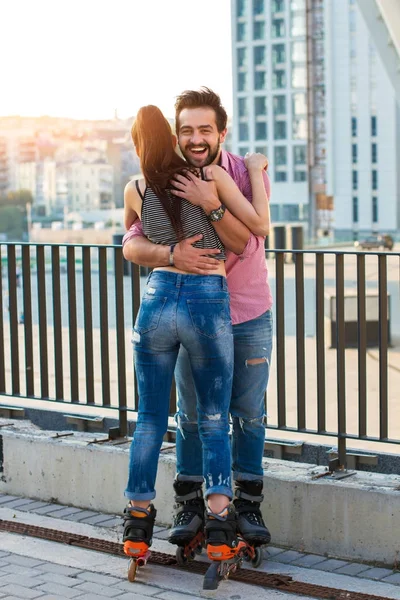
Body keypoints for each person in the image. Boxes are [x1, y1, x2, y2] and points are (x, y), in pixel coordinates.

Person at [123, 88, 273, 551]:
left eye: (204, 129)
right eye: (186, 130)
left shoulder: (232, 177)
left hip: (243, 310)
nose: (195, 137)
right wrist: (173, 252)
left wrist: (215, 198)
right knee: (197, 417)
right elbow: (131, 244)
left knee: (246, 414)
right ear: (173, 134)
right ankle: (202, 509)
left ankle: (243, 505)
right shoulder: (174, 179)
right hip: (201, 306)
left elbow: (248, 240)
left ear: (221, 131)